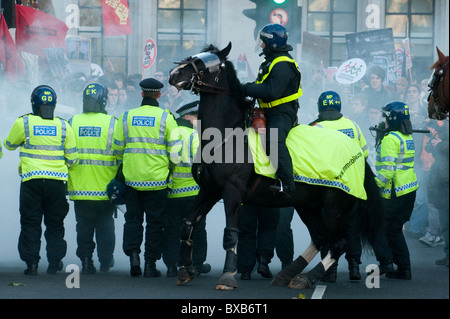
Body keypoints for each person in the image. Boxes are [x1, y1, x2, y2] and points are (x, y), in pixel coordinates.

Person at [3, 85, 78, 275]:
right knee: (55, 223)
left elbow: (10, 145)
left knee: (30, 222)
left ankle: (32, 264)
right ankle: (54, 263)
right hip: (57, 183)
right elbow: (73, 159)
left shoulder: (24, 123)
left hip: (31, 182)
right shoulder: (64, 126)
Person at [113, 78, 181, 277]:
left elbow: (117, 148)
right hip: (157, 180)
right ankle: (150, 265)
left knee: (133, 220)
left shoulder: (126, 117)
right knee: (155, 223)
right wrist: (170, 166)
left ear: (141, 94)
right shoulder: (166, 117)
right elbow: (176, 153)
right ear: (159, 95)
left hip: (132, 179)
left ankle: (134, 256)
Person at [309, 91, 369, 281]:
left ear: (320, 107)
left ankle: (330, 270)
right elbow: (365, 154)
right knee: (352, 226)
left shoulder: (315, 126)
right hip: (351, 186)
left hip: (325, 187)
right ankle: (354, 267)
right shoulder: (352, 125)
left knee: (328, 227)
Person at [243, 23, 302, 197]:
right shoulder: (270, 61)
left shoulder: (283, 64)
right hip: (266, 110)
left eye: (263, 42)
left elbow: (271, 91)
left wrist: (245, 88)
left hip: (282, 112)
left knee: (273, 140)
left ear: (273, 43)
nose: (261, 45)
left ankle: (286, 182)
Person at [67, 83, 119, 274]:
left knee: (84, 227)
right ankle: (105, 262)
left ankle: (87, 261)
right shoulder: (113, 123)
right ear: (103, 100)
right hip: (106, 189)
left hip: (79, 188)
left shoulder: (72, 122)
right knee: (106, 227)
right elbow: (120, 154)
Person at [162, 100, 211, 277]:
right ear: (187, 117)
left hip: (172, 192)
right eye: (197, 118)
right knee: (197, 229)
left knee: (171, 229)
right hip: (193, 193)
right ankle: (196, 263)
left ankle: (170, 265)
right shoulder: (195, 135)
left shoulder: (170, 133)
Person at [374, 101, 419, 280]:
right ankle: (401, 267)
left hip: (395, 192)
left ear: (392, 119)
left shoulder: (390, 139)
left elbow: (387, 172)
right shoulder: (406, 136)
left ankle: (396, 266)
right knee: (394, 229)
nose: (383, 121)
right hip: (408, 189)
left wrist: (374, 188)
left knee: (387, 229)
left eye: (385, 117)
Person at [237, 205, 280, 280]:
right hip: (270, 198)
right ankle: (263, 262)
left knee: (246, 231)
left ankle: (246, 271)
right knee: (269, 227)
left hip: (246, 199)